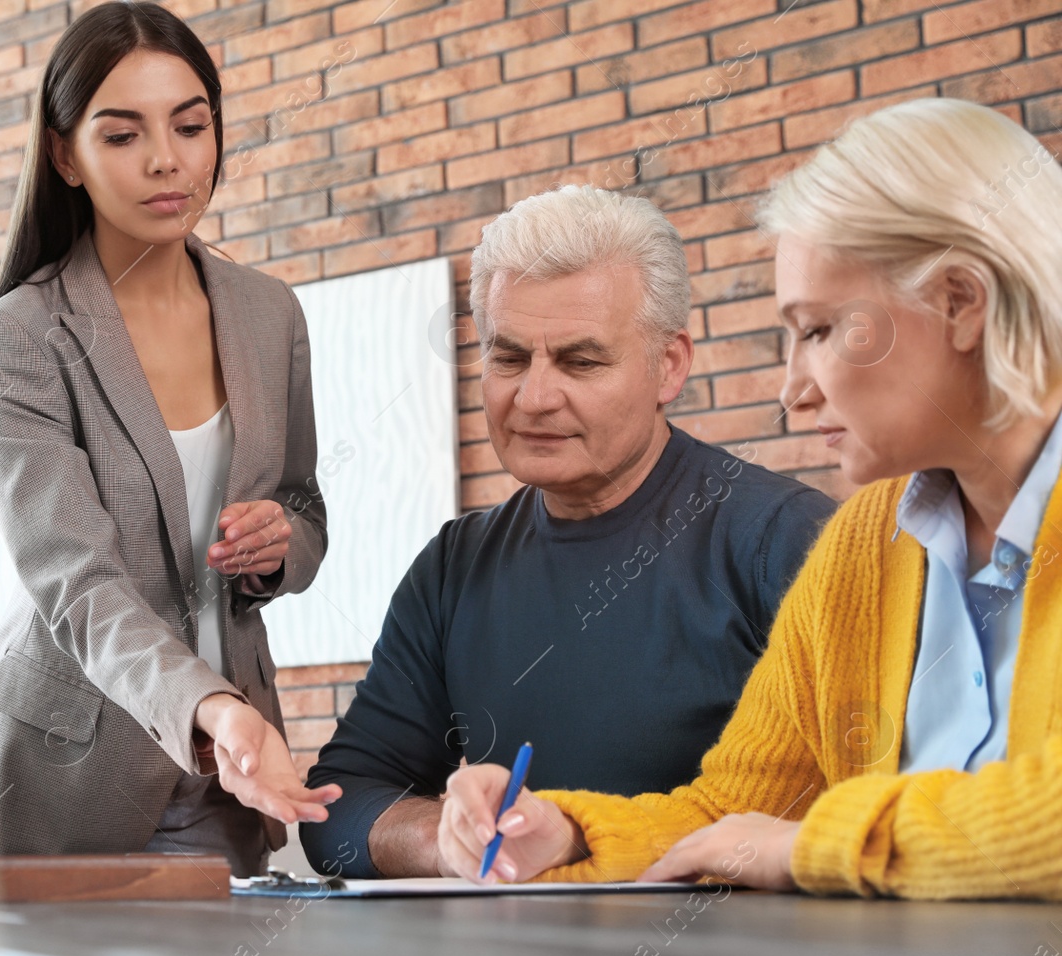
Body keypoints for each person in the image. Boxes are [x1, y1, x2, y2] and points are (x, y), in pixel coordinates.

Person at [436, 97, 1062, 900]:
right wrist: (562, 830)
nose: (792, 389)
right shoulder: (864, 544)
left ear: (960, 302)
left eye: (821, 330)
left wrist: (814, 846)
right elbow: (738, 811)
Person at [299, 186, 835, 878]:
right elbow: (334, 811)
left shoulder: (787, 542)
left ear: (668, 366)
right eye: (509, 357)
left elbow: (857, 810)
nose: (535, 397)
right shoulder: (453, 570)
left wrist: (575, 837)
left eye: (581, 362)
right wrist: (454, 837)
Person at [0, 1, 338, 875]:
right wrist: (214, 708)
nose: (168, 159)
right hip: (70, 779)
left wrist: (282, 544)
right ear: (65, 155)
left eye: (191, 125)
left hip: (224, 777)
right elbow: (77, 583)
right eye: (122, 135)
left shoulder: (267, 313)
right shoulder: (16, 338)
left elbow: (306, 505)